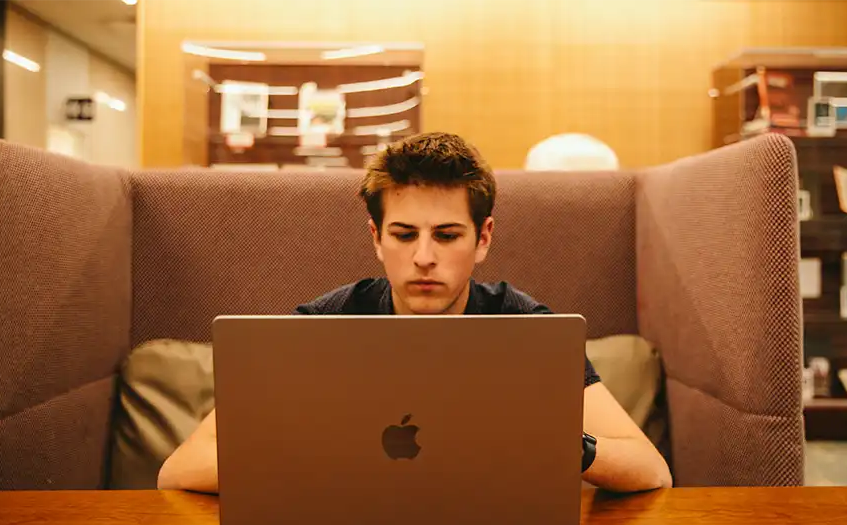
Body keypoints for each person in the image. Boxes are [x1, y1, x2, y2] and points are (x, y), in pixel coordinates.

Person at [157, 132, 673, 494]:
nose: (424, 257)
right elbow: (182, 469)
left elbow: (649, 469)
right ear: (377, 238)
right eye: (404, 235)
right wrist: (329, 452)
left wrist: (556, 443)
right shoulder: (326, 325)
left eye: (447, 235)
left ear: (483, 238)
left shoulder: (523, 326)